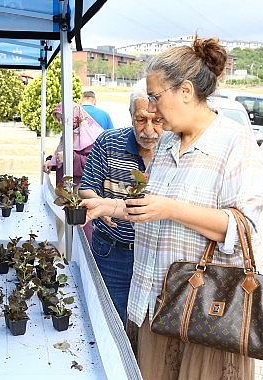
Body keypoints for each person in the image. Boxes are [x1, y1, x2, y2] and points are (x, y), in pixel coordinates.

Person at [80, 36, 263, 380]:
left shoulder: (234, 141)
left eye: (155, 96)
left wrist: (172, 209)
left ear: (186, 91)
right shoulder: (166, 143)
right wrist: (110, 207)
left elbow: (242, 229)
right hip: (150, 303)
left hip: (200, 315)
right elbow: (151, 210)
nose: (151, 107)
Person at [78, 79, 162, 326]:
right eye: (140, 120)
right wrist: (100, 205)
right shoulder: (108, 142)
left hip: (156, 258)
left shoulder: (173, 152)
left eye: (156, 120)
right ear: (130, 114)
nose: (149, 130)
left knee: (149, 327)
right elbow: (86, 188)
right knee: (110, 322)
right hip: (112, 252)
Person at [43, 102, 104, 185]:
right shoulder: (69, 135)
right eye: (59, 119)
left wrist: (70, 158)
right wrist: (51, 161)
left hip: (82, 191)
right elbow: (61, 156)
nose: (61, 123)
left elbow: (94, 165)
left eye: (63, 119)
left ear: (75, 117)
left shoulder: (94, 137)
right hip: (66, 190)